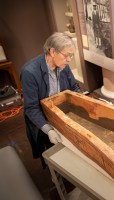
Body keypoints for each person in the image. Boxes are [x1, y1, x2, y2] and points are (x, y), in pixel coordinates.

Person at [20, 32, 81, 164]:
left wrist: (86, 102)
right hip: (43, 118)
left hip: (61, 114)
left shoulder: (64, 66)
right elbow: (31, 108)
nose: (70, 59)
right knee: (55, 156)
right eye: (67, 55)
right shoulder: (29, 73)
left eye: (71, 55)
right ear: (52, 51)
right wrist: (48, 130)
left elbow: (74, 88)